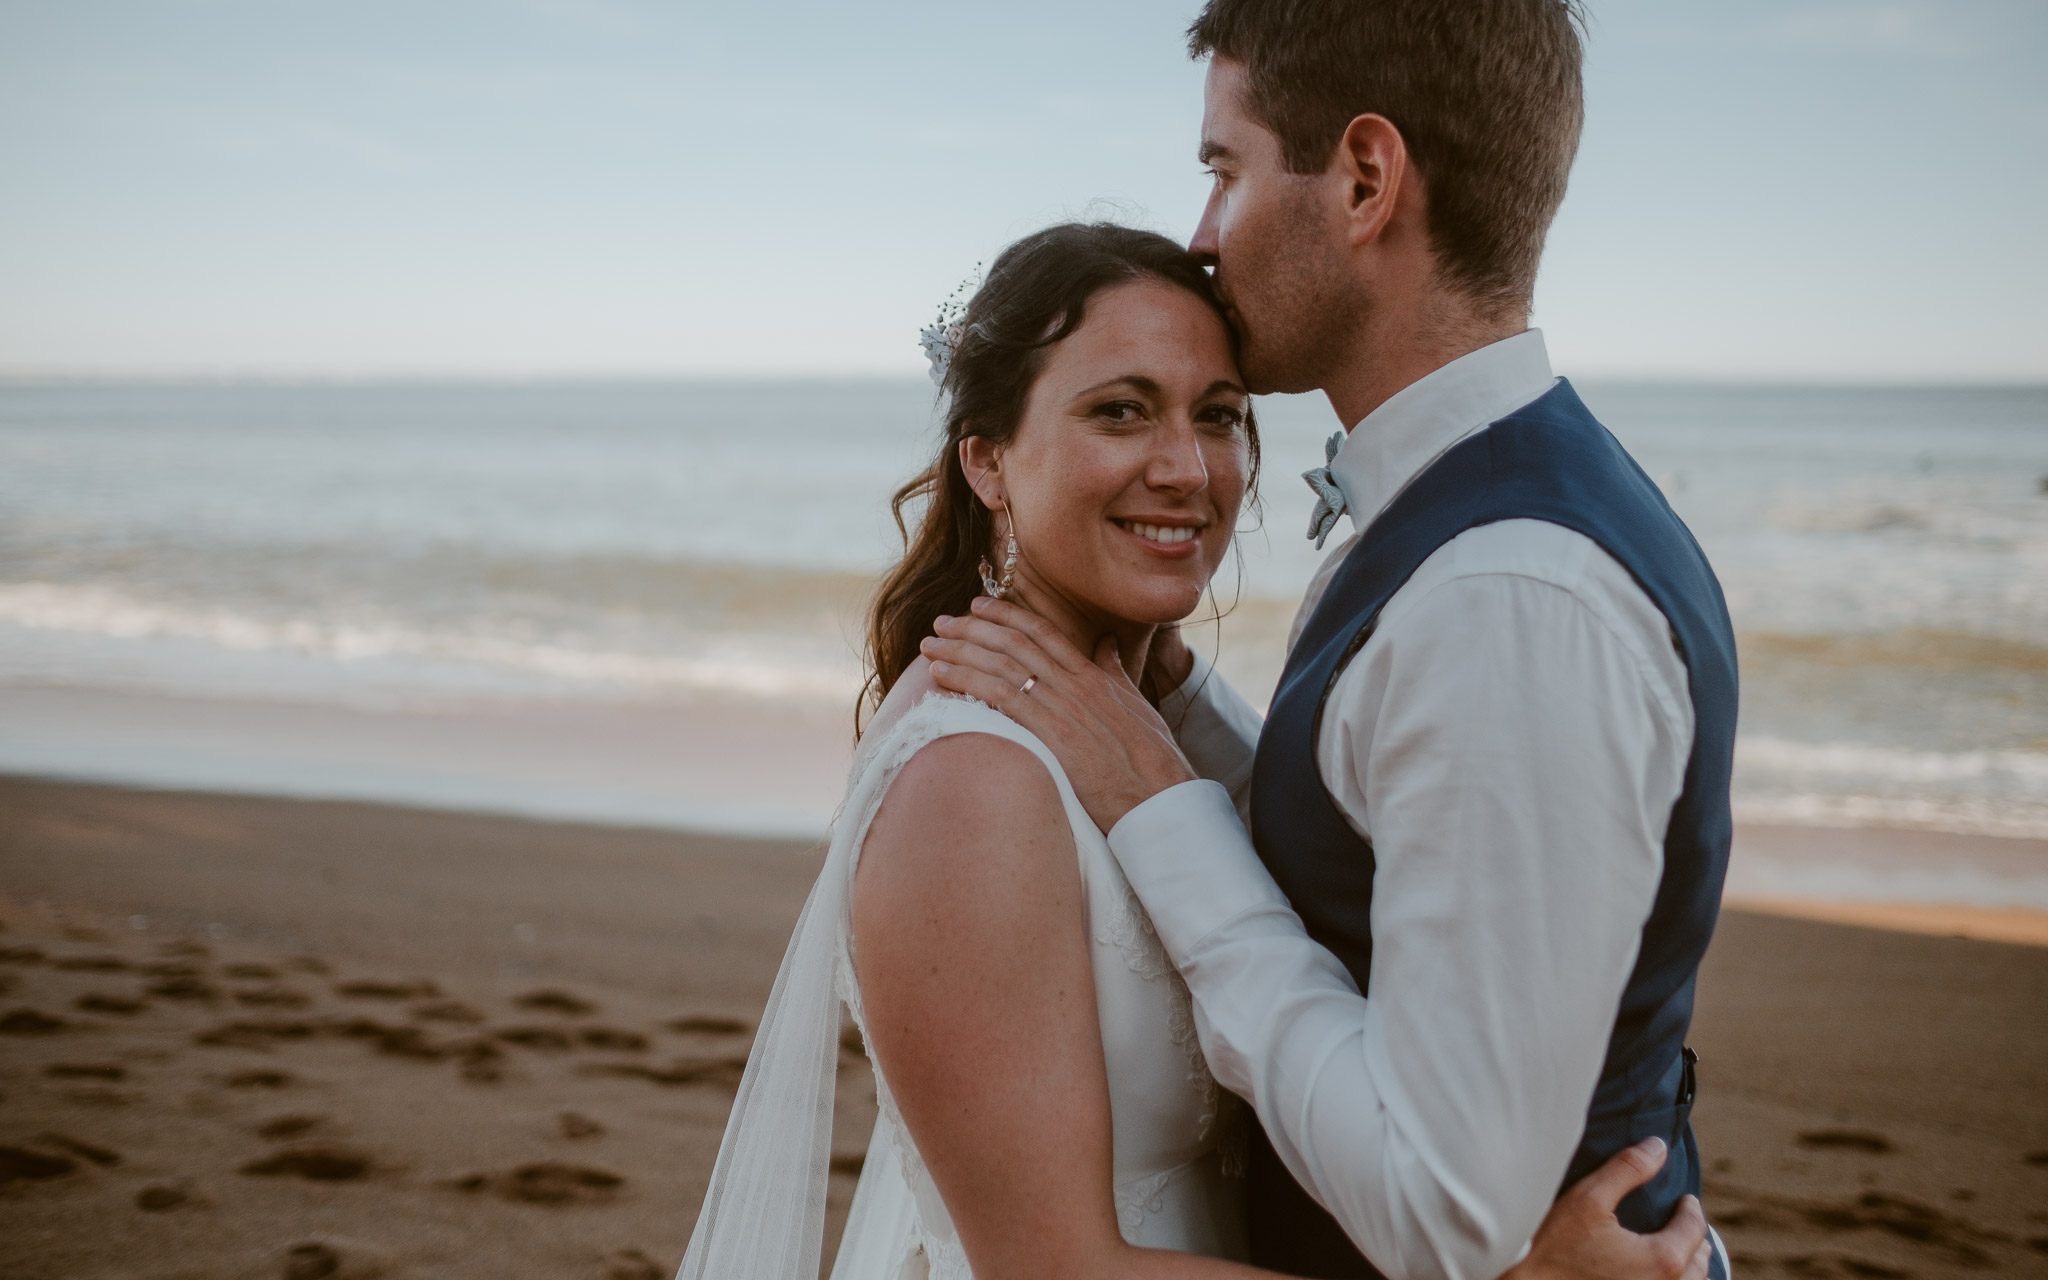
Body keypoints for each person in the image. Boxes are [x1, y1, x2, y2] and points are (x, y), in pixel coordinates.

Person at [676, 222, 1711, 1280]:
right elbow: (1051, 1267)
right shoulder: (971, 784)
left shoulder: (1126, 725)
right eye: (1118, 411)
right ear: (987, 458)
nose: (1185, 468)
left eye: (1216, 417)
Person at [923, 2, 1739, 1279]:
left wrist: (1156, 803)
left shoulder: (1508, 596)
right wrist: (1176, 713)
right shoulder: (1460, 516)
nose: (1201, 236)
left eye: (1223, 171)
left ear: (1363, 178)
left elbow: (1437, 1209)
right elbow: (1383, 838)